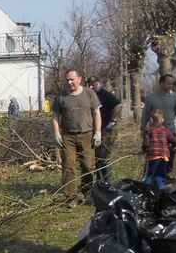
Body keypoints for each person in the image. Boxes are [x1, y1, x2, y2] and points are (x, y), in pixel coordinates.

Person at [51, 69, 102, 203]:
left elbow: (96, 113)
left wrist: (98, 132)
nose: (69, 82)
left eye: (72, 79)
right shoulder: (61, 97)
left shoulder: (89, 94)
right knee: (68, 165)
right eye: (67, 79)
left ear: (79, 79)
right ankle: (71, 197)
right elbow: (55, 116)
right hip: (68, 136)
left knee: (87, 165)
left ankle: (88, 193)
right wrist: (56, 132)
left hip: (87, 134)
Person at [141, 74, 176, 173]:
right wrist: (143, 128)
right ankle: (150, 174)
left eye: (172, 84)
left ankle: (166, 173)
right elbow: (145, 113)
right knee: (154, 153)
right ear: (161, 83)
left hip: (170, 130)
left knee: (170, 153)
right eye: (168, 83)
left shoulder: (175, 97)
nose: (170, 86)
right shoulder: (151, 98)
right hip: (155, 132)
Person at [87, 77, 123, 183]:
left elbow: (119, 105)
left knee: (103, 155)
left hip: (108, 129)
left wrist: (112, 120)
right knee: (97, 155)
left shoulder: (105, 94)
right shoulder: (91, 95)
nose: (90, 87)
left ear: (99, 84)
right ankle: (100, 180)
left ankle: (107, 181)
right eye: (89, 84)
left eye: (92, 84)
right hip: (97, 129)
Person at [141, 109, 176, 190]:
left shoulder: (148, 130)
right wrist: (174, 145)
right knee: (159, 176)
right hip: (164, 156)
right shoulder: (165, 130)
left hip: (153, 156)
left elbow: (146, 143)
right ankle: (162, 191)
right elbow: (173, 139)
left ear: (150, 120)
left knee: (149, 175)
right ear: (162, 120)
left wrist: (144, 149)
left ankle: (144, 190)